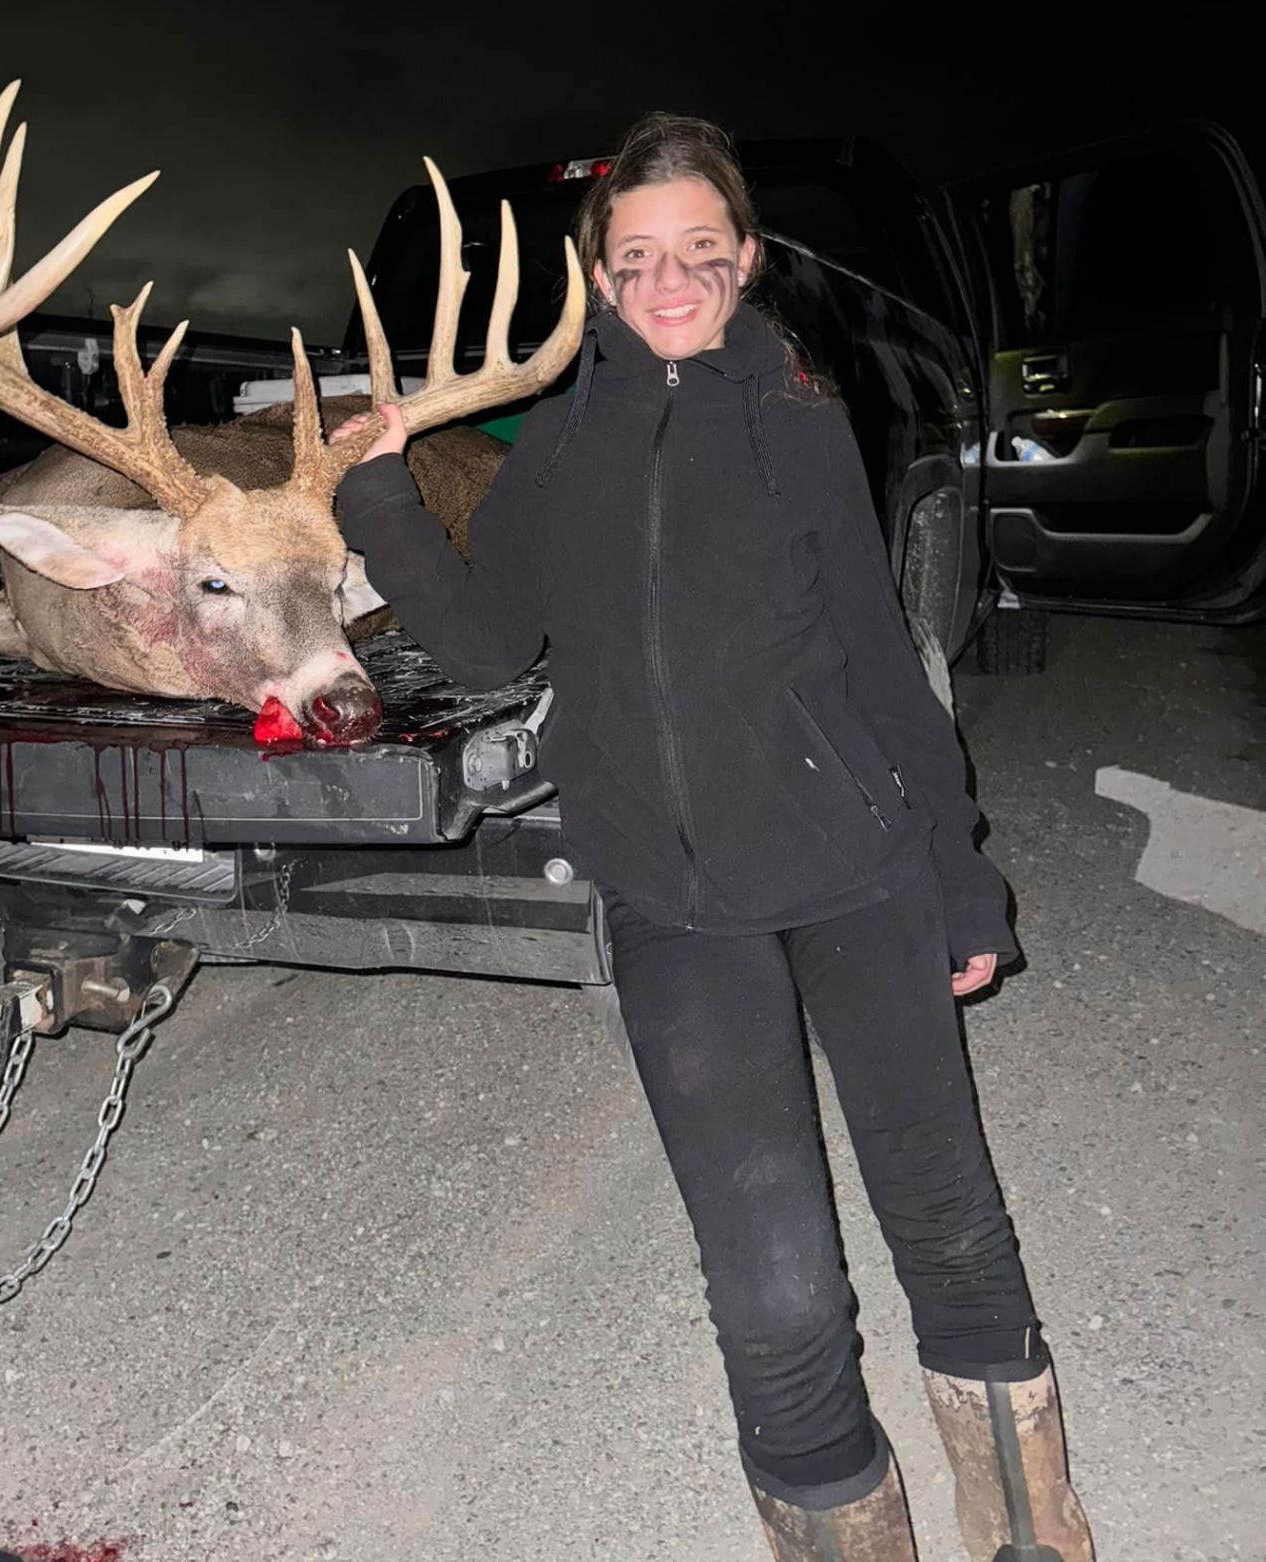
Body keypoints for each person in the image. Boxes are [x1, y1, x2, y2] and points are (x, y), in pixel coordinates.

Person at [333, 114, 1094, 1561]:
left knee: (948, 1224)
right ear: (596, 278)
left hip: (856, 865)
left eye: (698, 250)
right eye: (636, 257)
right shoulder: (551, 443)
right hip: (675, 900)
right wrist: (382, 498)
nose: (668, 277)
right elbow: (494, 644)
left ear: (745, 261)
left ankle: (1036, 1531)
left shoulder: (802, 415)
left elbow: (875, 654)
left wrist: (960, 871)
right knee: (774, 1289)